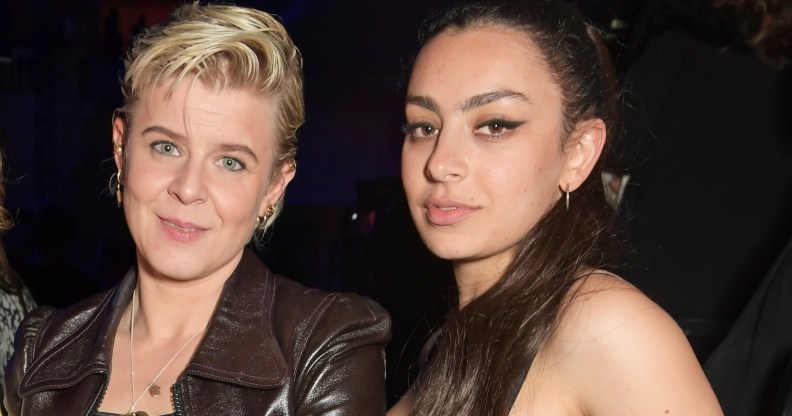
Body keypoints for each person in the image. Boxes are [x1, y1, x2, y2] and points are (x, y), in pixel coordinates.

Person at [3, 3, 390, 415]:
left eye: (230, 162)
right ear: (121, 149)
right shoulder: (41, 350)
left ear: (274, 187)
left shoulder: (323, 349)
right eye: (166, 147)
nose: (188, 189)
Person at [387, 0, 723, 414]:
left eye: (495, 125)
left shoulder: (605, 325)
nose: (439, 164)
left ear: (578, 153)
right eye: (424, 127)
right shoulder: (447, 344)